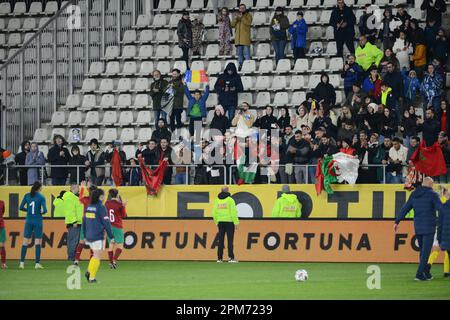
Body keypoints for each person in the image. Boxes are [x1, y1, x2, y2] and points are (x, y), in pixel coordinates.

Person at [395, 176, 442, 280]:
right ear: (430, 184)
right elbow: (441, 208)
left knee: (422, 251)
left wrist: (397, 221)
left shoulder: (414, 194)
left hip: (418, 226)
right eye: (432, 184)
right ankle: (419, 274)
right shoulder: (433, 195)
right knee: (426, 252)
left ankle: (426, 273)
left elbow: (405, 208)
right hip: (429, 225)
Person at [83, 188, 115, 283]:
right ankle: (92, 277)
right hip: (97, 235)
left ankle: (89, 271)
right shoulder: (101, 207)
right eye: (104, 195)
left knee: (94, 254)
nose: (105, 197)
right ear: (101, 197)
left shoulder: (89, 206)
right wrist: (111, 236)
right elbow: (106, 223)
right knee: (97, 256)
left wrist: (85, 234)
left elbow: (84, 221)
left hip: (89, 234)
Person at [19, 181, 47, 269]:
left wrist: (28, 211)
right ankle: (37, 263)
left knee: (25, 241)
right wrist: (39, 212)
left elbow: (21, 207)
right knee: (37, 242)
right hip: (38, 220)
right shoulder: (41, 197)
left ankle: (21, 263)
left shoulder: (27, 195)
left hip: (29, 220)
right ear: (39, 188)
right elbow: (45, 210)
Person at [425, 185, 450, 278]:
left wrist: (442, 189)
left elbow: (441, 196)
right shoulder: (445, 202)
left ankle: (428, 265)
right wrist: (444, 188)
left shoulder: (440, 201)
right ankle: (446, 272)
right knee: (448, 251)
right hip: (446, 228)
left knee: (436, 249)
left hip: (438, 227)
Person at [212, 186, 239, 263]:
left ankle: (219, 258)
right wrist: (236, 222)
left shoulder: (217, 200)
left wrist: (217, 222)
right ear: (228, 191)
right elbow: (233, 212)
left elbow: (214, 213)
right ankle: (231, 257)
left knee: (220, 240)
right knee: (230, 240)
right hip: (229, 222)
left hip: (220, 222)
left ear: (221, 191)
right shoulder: (230, 200)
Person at [74, 182, 97, 266]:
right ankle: (91, 260)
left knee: (81, 241)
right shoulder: (97, 201)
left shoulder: (86, 199)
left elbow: (79, 198)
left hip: (85, 222)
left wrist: (83, 188)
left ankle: (76, 260)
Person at [105, 189, 127, 269]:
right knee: (120, 246)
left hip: (109, 226)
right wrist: (123, 206)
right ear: (117, 195)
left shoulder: (106, 203)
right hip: (117, 226)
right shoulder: (119, 204)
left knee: (111, 244)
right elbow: (124, 216)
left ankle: (110, 262)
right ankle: (114, 260)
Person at [62, 184, 83, 262]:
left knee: (76, 241)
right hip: (74, 222)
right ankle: (71, 257)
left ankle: (75, 256)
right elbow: (70, 211)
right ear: (74, 188)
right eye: (78, 188)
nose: (79, 190)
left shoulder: (73, 197)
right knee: (73, 240)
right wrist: (74, 221)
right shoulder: (69, 197)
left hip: (78, 221)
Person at [231, 4, 253, 70]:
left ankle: (248, 67)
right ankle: (241, 66)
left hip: (245, 38)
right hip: (238, 39)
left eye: (243, 8)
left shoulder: (248, 15)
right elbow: (232, 25)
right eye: (240, 8)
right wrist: (235, 19)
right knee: (239, 55)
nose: (242, 9)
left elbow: (248, 23)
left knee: (246, 54)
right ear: (239, 9)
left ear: (245, 9)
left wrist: (241, 18)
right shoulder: (237, 16)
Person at [0, 199, 6, 269]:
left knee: (2, 245)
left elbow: (3, 212)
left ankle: (3, 263)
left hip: (1, 226)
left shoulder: (2, 202)